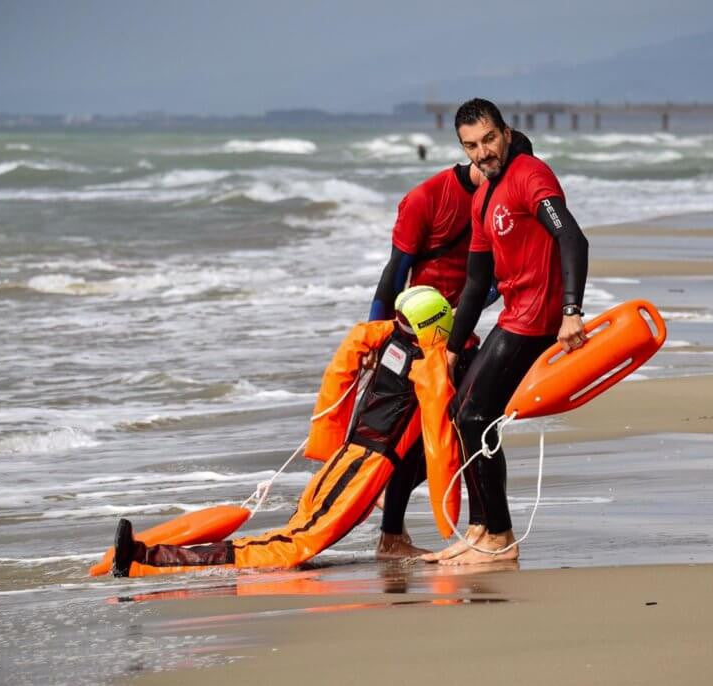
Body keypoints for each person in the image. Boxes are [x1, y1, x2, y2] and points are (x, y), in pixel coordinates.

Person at [111, 286, 462, 576]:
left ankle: (149, 556)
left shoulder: (386, 340)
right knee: (293, 546)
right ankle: (147, 559)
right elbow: (440, 434)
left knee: (292, 534)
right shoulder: (425, 365)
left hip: (346, 457)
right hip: (364, 467)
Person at [422, 98, 590, 566]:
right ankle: (481, 529)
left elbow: (572, 237)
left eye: (489, 139)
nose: (482, 152)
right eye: (470, 145)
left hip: (538, 319)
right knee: (465, 412)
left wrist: (571, 311)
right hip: (514, 314)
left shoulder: (530, 174)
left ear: (507, 133)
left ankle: (500, 536)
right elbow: (476, 282)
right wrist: (454, 349)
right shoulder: (482, 198)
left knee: (474, 417)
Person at [366, 137, 534, 559]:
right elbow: (393, 274)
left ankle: (480, 532)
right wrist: (374, 335)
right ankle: (392, 537)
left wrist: (469, 314)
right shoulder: (427, 198)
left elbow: (493, 280)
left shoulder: (501, 204)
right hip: (414, 338)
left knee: (470, 434)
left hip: (461, 340)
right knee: (405, 441)